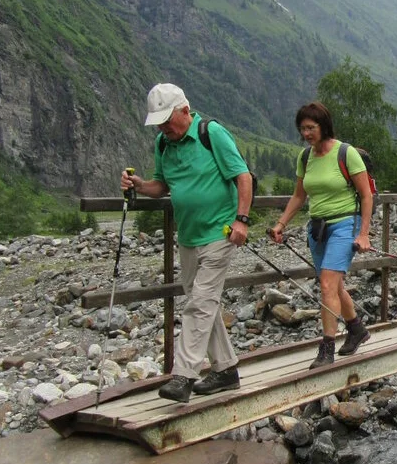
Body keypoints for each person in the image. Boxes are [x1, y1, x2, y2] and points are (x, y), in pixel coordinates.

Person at [120, 83, 253, 403]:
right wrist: (138, 184)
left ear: (184, 110)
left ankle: (183, 375)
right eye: (159, 122)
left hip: (220, 233)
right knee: (202, 302)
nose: (164, 127)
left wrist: (242, 220)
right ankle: (226, 370)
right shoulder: (163, 144)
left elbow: (243, 176)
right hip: (189, 236)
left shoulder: (212, 133)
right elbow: (162, 187)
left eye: (168, 120)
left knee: (200, 302)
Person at [269, 102, 374, 370]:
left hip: (344, 224)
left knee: (327, 285)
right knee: (333, 285)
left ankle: (326, 348)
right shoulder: (305, 157)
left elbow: (366, 194)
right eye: (302, 128)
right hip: (317, 228)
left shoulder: (346, 153)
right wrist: (281, 223)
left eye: (311, 128)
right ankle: (356, 328)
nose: (306, 133)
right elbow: (299, 195)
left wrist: (363, 233)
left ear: (323, 126)